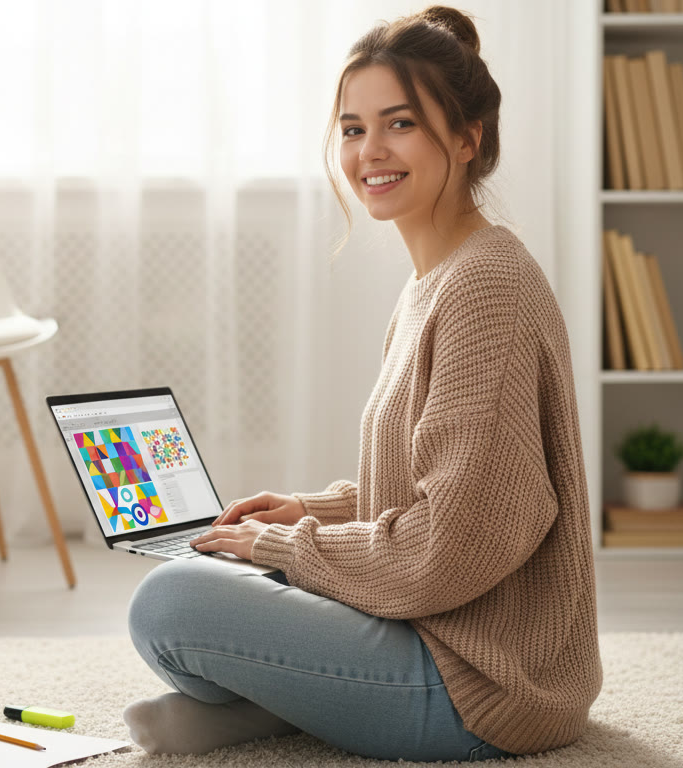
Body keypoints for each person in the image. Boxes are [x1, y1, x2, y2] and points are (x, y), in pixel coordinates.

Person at [121, 5, 602, 763]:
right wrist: (307, 511)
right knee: (209, 563)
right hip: (429, 633)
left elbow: (456, 544)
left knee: (169, 603)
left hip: (479, 683)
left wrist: (289, 548)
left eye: (399, 124)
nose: (369, 151)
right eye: (352, 129)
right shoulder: (434, 281)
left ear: (468, 138)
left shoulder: (486, 287)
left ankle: (274, 707)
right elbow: (433, 488)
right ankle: (273, 711)